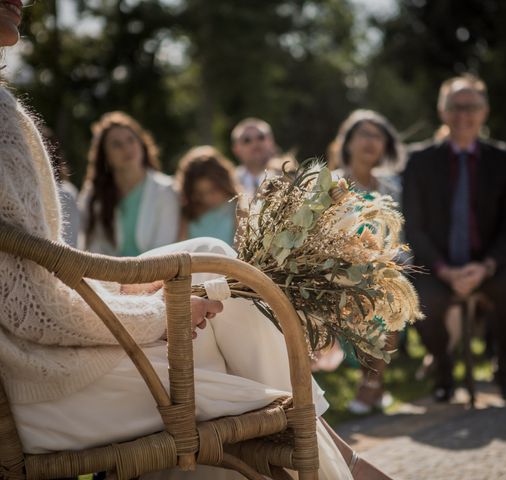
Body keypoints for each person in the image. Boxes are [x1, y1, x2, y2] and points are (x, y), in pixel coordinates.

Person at [0, 5, 389, 479]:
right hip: (41, 383)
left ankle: (338, 459)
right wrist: (158, 313)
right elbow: (31, 307)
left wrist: (126, 292)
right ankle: (342, 463)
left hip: (45, 353)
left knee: (213, 264)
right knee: (226, 324)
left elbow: (31, 279)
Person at [402, 74, 506, 404]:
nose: (463, 114)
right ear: (442, 112)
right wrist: (445, 270)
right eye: (455, 107)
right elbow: (414, 227)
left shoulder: (503, 160)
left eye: (471, 106)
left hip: (488, 262)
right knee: (416, 298)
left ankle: (505, 368)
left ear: (484, 111)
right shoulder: (419, 161)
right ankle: (443, 368)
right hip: (437, 263)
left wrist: (486, 267)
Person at [328, 109, 405, 414]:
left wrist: (392, 262)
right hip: (338, 269)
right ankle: (373, 383)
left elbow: (401, 233)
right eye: (364, 134)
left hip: (386, 268)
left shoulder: (392, 187)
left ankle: (371, 383)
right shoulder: (333, 184)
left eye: (378, 136)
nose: (371, 142)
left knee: (391, 294)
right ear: (348, 142)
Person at [77, 111, 180, 256]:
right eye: (116, 145)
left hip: (156, 275)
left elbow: (165, 248)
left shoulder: (166, 190)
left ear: (141, 144)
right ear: (105, 156)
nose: (126, 148)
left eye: (131, 140)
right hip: (106, 276)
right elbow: (90, 248)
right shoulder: (92, 196)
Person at [175, 145, 238, 246]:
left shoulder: (238, 209)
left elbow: (243, 254)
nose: (207, 198)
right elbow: (181, 248)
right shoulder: (188, 213)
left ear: (224, 182)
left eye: (213, 190)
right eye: (200, 194)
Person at [230, 117, 279, 201]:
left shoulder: (293, 176)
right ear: (236, 150)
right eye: (246, 140)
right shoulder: (230, 183)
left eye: (261, 137)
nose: (255, 143)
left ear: (272, 142)